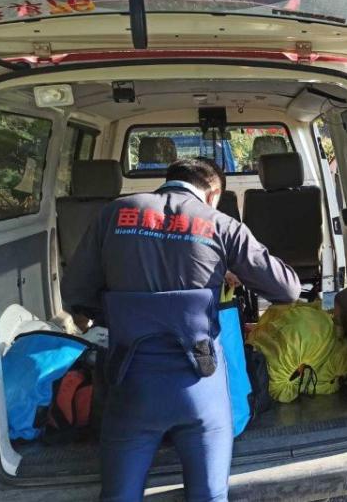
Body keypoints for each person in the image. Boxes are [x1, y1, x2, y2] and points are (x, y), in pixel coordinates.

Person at [61, 158, 301, 501]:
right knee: (209, 495)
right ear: (213, 192)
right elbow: (287, 290)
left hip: (131, 384)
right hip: (200, 387)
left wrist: (121, 312)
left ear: (168, 180)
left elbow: (75, 293)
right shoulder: (220, 223)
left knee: (118, 496)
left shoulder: (114, 213)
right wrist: (225, 266)